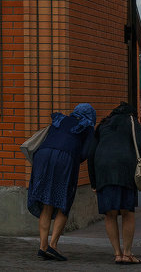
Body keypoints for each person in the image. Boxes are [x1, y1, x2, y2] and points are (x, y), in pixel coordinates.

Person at [27, 102, 96, 262]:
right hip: (65, 159)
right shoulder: (87, 126)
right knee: (63, 202)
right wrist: (72, 159)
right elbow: (86, 152)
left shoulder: (60, 120)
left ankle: (43, 247)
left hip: (42, 156)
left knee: (46, 202)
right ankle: (53, 245)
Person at [88, 102, 141, 265]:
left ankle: (117, 253)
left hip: (103, 170)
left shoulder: (103, 125)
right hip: (126, 169)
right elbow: (140, 146)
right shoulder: (132, 122)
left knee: (110, 213)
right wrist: (139, 168)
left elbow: (91, 153)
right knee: (127, 211)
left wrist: (94, 181)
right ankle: (127, 253)